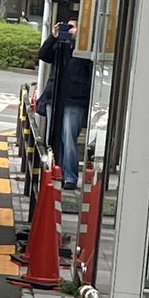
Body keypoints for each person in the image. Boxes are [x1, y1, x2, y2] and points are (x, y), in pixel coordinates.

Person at [37, 19, 92, 190]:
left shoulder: (84, 48)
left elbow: (91, 66)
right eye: (66, 27)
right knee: (52, 137)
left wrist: (79, 39)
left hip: (74, 100)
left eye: (72, 27)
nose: (68, 30)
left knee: (68, 138)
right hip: (54, 97)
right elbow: (44, 55)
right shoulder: (59, 44)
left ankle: (70, 177)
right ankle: (54, 171)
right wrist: (54, 36)